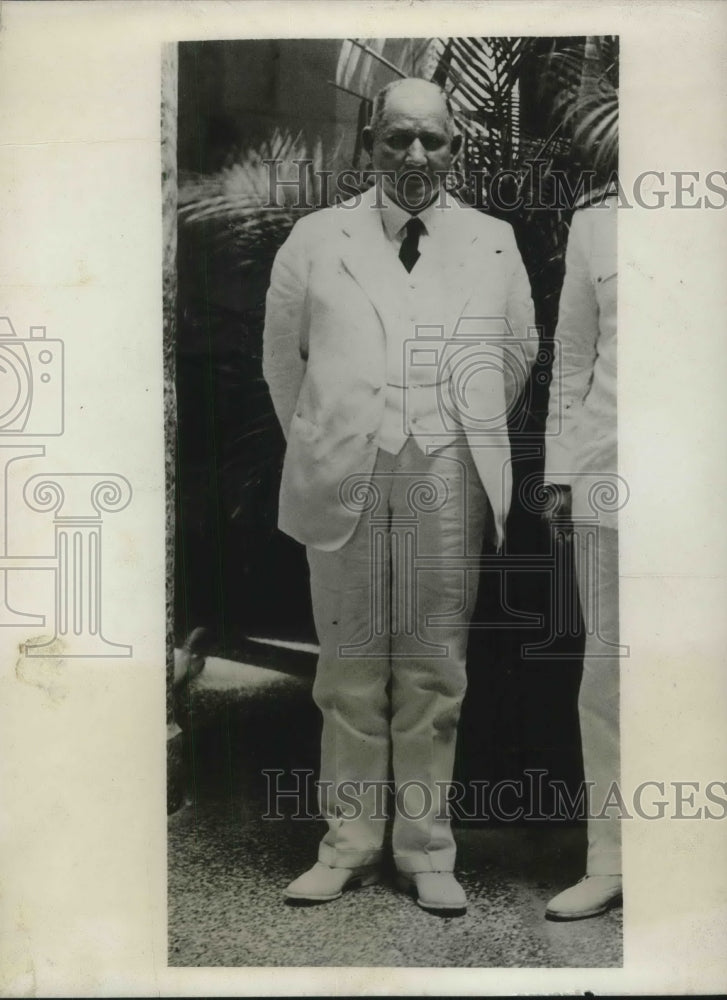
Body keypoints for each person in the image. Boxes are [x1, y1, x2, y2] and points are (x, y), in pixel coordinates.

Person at [263, 78, 536, 914]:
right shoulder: (316, 238)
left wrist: (455, 427)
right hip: (346, 468)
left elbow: (518, 354)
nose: (414, 156)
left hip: (445, 472)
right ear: (369, 145)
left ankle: (425, 850)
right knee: (346, 671)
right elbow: (284, 363)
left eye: (432, 141)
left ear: (454, 148)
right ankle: (345, 846)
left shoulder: (492, 241)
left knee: (432, 670)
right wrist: (337, 432)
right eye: (396, 140)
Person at [543, 192, 622, 920]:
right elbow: (571, 356)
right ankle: (611, 860)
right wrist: (562, 473)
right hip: (610, 471)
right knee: (606, 673)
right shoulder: (597, 221)